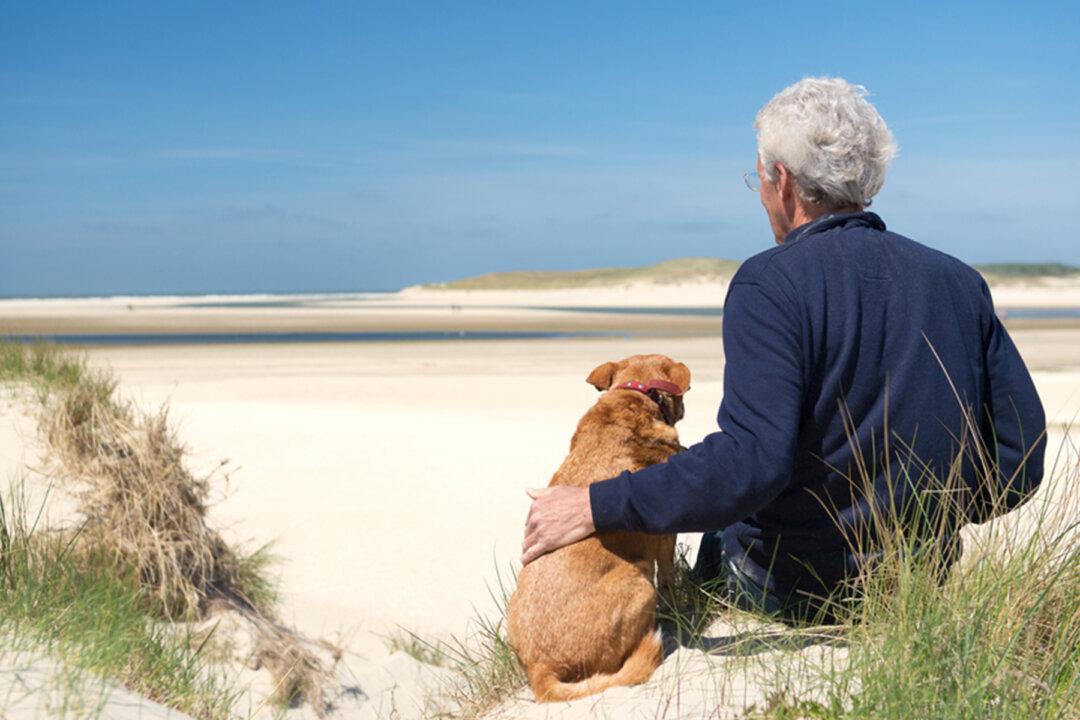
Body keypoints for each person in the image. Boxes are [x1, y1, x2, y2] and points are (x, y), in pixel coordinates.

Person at [520, 77, 1046, 622]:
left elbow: (751, 462)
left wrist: (595, 504)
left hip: (787, 590)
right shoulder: (957, 281)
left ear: (783, 181)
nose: (763, 194)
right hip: (920, 583)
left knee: (725, 527)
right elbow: (1020, 459)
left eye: (759, 179)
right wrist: (931, 524)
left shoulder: (768, 283)